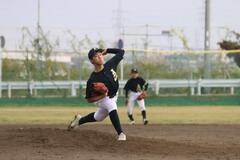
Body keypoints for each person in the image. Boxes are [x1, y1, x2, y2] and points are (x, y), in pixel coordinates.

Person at [68, 48, 126, 141]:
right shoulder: (92, 79)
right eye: (96, 56)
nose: (100, 56)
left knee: (99, 117)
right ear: (92, 61)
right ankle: (121, 133)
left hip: (114, 94)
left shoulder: (110, 64)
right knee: (111, 105)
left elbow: (121, 52)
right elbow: (89, 99)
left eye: (100, 54)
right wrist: (102, 96)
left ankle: (79, 120)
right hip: (102, 99)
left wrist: (107, 50)